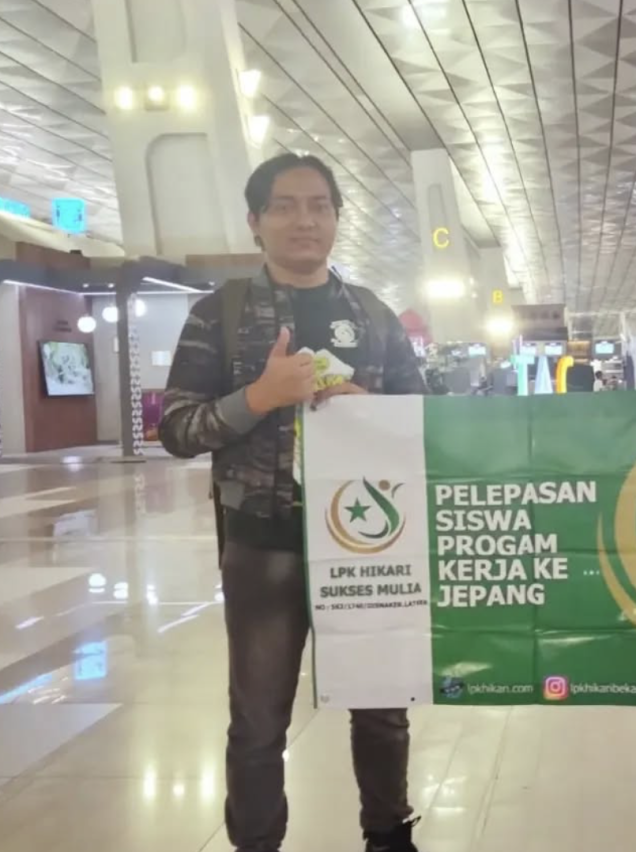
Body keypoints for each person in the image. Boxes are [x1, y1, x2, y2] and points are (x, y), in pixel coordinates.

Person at [159, 153, 426, 852]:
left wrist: (371, 408)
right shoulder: (219, 314)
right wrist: (258, 397)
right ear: (255, 221)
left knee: (382, 710)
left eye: (319, 205)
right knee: (258, 722)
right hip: (262, 545)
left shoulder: (372, 315)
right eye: (284, 206)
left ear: (336, 218)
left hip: (368, 546)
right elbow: (176, 429)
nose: (304, 220)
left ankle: (388, 835)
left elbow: (427, 422)